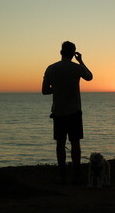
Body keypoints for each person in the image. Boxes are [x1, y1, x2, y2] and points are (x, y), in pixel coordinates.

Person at [42, 41, 93, 183]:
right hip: (74, 111)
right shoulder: (76, 68)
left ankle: (62, 174)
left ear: (61, 52)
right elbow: (89, 76)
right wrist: (81, 61)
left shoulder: (51, 68)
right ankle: (77, 174)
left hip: (58, 112)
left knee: (60, 144)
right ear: (73, 53)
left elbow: (45, 91)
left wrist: (57, 88)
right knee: (75, 143)